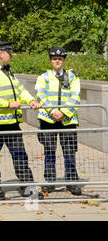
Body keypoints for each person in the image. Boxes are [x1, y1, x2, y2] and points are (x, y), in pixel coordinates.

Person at [0, 42, 43, 200]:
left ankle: (27, 186)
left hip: (12, 122)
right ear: (1, 54)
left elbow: (19, 90)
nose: (11, 56)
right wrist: (8, 104)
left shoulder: (8, 72)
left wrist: (30, 100)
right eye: (10, 53)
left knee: (20, 154)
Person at [35, 47, 81, 195]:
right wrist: (53, 111)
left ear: (64, 60)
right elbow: (40, 94)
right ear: (50, 60)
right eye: (54, 59)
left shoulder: (72, 76)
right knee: (49, 152)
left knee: (69, 152)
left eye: (60, 59)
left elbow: (76, 96)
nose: (57, 61)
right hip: (49, 119)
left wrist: (64, 112)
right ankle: (49, 182)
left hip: (68, 120)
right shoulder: (44, 76)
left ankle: (72, 182)